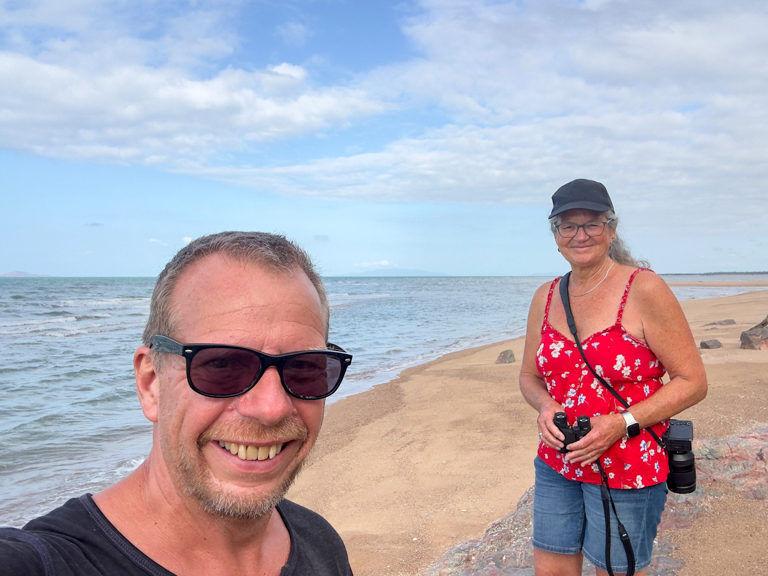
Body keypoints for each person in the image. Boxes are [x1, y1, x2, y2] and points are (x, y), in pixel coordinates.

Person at [0, 231, 355, 575]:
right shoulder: (44, 561)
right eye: (222, 364)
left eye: (304, 368)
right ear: (150, 383)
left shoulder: (319, 542)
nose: (271, 407)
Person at [518, 179, 707, 576]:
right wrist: (545, 405)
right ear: (556, 235)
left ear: (611, 229)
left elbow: (692, 381)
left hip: (627, 463)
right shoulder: (546, 296)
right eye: (568, 226)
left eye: (591, 224)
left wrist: (621, 424)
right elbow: (529, 377)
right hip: (559, 460)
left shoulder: (644, 288)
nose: (580, 235)